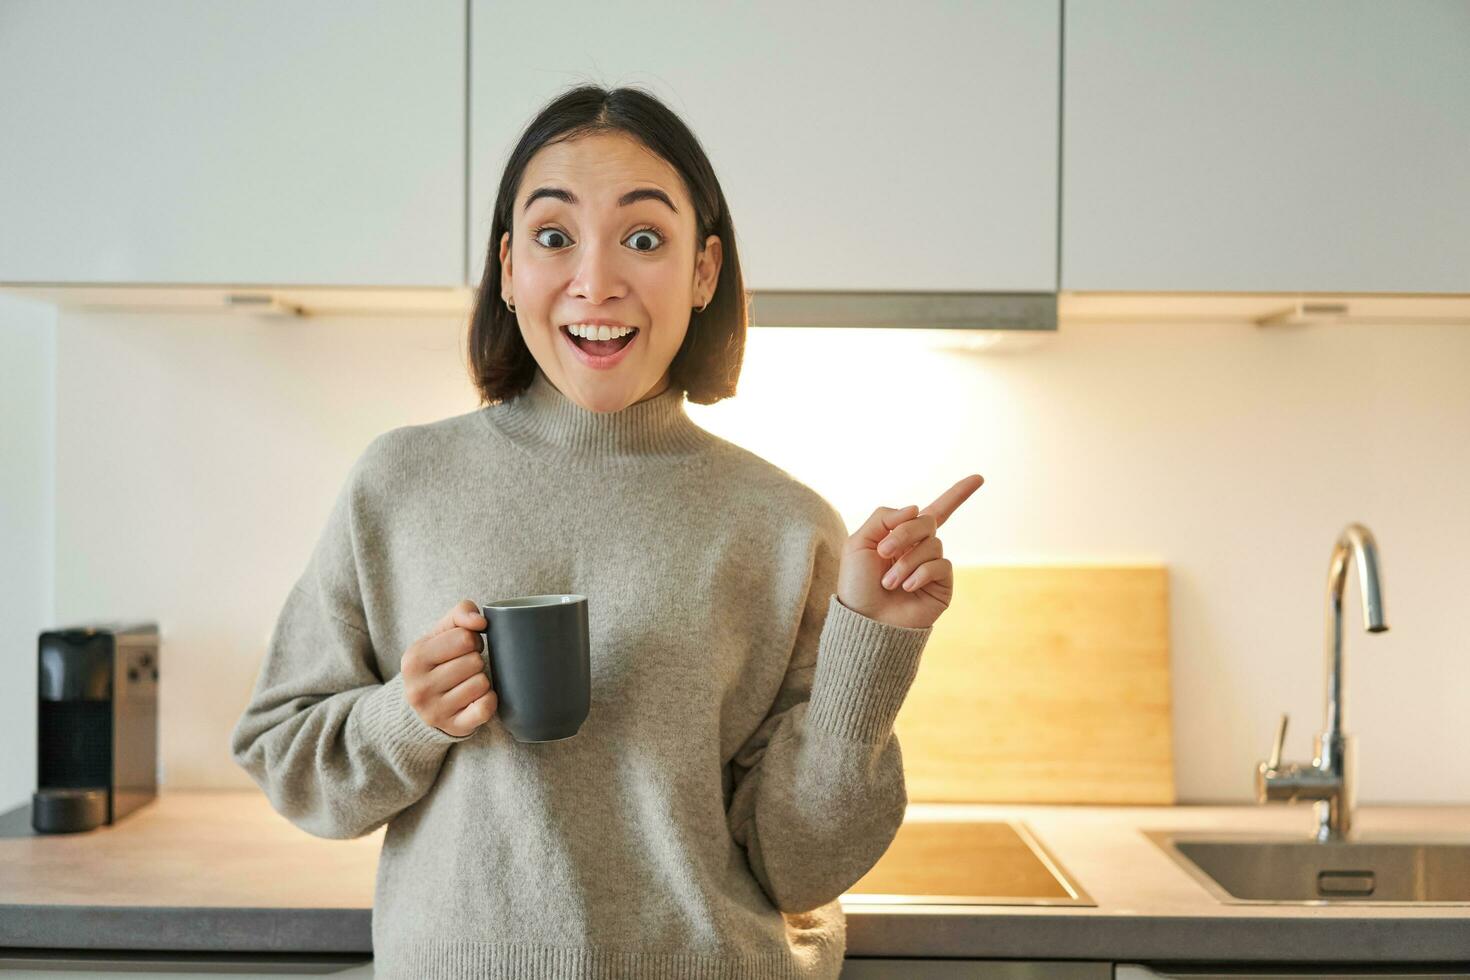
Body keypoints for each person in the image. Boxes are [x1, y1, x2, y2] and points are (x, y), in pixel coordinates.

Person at [230, 83, 983, 980]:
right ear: (508, 268)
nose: (596, 280)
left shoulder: (785, 524)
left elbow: (798, 866)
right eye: (554, 238)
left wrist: (876, 645)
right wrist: (409, 717)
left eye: (643, 238)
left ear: (703, 272)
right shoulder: (398, 484)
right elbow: (285, 752)